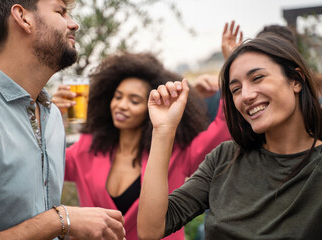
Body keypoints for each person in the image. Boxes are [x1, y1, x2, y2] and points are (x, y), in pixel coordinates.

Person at [0, 0, 126, 239]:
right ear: (23, 17)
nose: (74, 24)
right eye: (60, 11)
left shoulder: (52, 116)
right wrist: (60, 220)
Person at [137, 34, 322, 239]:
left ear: (296, 80)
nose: (246, 95)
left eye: (257, 78)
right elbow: (151, 229)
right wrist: (163, 130)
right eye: (236, 89)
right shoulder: (224, 158)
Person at [52, 52, 231, 240]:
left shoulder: (175, 150)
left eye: (134, 100)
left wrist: (229, 78)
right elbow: (48, 163)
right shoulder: (90, 146)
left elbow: (222, 130)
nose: (121, 105)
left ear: (152, 107)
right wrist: (52, 116)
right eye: (118, 96)